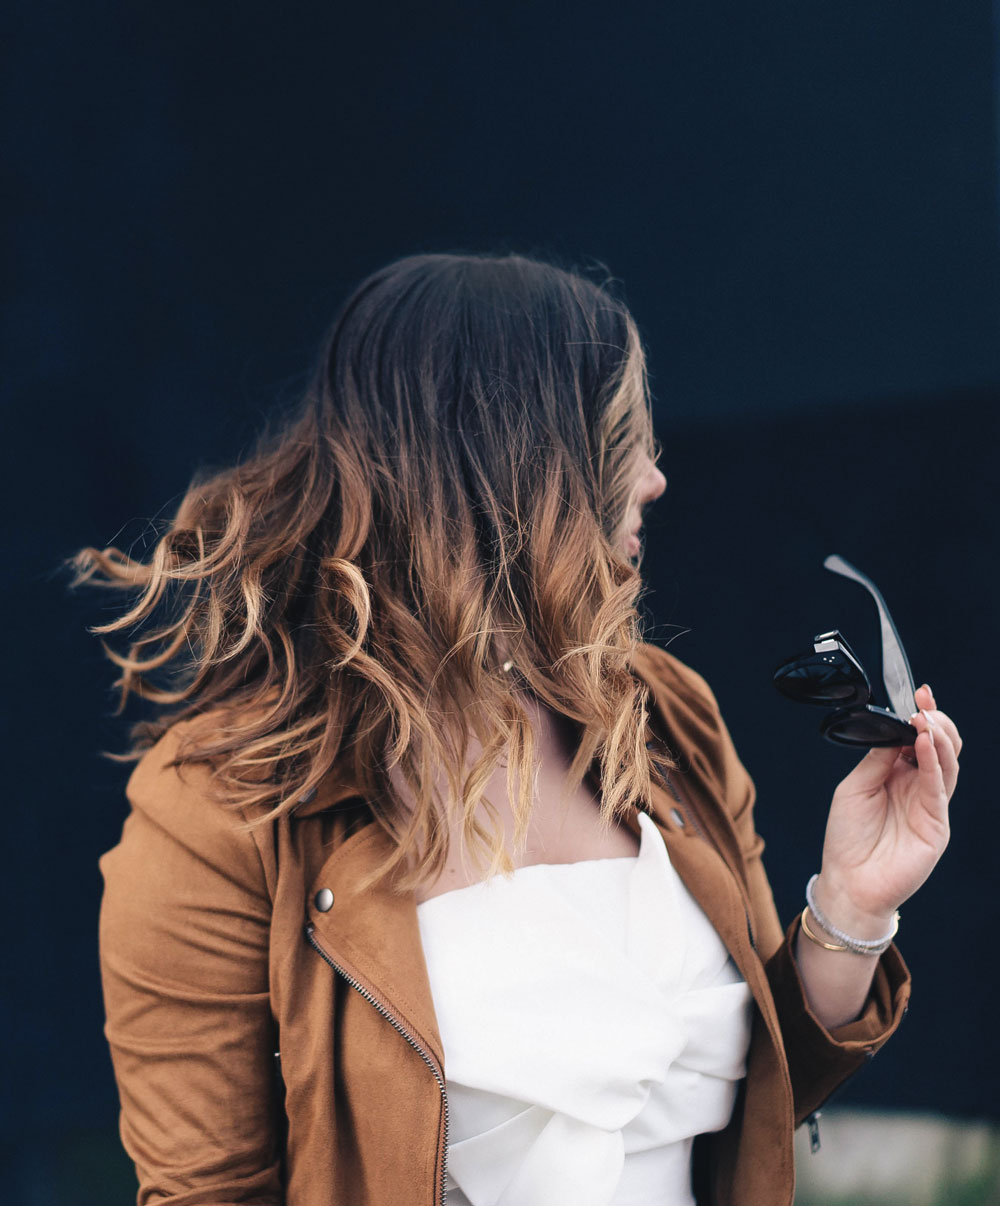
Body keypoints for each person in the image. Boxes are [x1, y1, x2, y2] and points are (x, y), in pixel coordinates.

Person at [74, 251, 960, 1206]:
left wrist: (853, 910)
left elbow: (741, 1112)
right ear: (512, 460)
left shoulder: (664, 714)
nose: (657, 479)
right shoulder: (218, 807)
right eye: (621, 434)